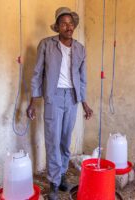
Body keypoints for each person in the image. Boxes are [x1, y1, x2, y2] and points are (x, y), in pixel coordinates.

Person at [26, 7, 93, 200]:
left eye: (71, 23)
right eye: (64, 23)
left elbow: (82, 79)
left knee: (65, 140)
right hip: (53, 97)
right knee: (52, 140)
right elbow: (37, 74)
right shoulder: (46, 45)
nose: (68, 26)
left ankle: (62, 174)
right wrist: (32, 102)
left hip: (72, 98)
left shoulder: (80, 49)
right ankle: (54, 184)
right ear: (57, 26)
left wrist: (84, 103)